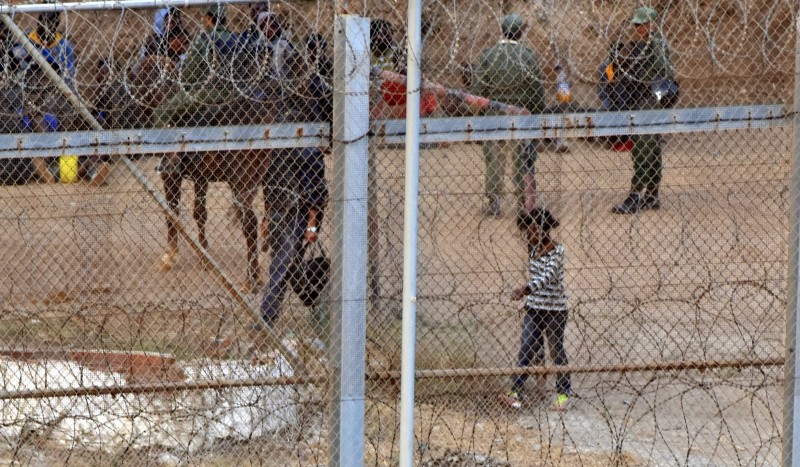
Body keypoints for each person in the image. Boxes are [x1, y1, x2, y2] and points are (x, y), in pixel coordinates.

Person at [471, 13, 545, 217]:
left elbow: (478, 89)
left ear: (502, 30)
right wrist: (537, 115)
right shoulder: (528, 56)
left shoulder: (488, 55)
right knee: (522, 158)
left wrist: (478, 117)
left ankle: (494, 202)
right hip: (521, 114)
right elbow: (536, 89)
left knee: (494, 159)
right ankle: (523, 202)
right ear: (521, 32)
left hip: (494, 115)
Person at [500, 207, 573, 411]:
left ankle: (563, 394)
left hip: (554, 311)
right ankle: (515, 392)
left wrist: (525, 289)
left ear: (543, 231)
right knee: (526, 348)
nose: (529, 236)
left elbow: (546, 277)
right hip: (534, 308)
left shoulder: (557, 251)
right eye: (528, 231)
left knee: (556, 351)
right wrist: (528, 293)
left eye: (532, 231)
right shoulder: (533, 250)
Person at [611, 6, 676, 214]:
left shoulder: (654, 43)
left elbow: (663, 68)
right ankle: (651, 194)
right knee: (652, 145)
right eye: (637, 24)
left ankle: (635, 195)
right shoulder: (649, 42)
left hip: (650, 98)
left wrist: (639, 73)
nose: (639, 28)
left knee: (643, 146)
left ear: (652, 23)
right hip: (647, 98)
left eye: (643, 24)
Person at [153, 3, 238, 128]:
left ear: (209, 19)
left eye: (204, 17)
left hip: (208, 92)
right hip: (235, 91)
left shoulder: (204, 40)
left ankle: (168, 144)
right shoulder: (236, 39)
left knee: (160, 113)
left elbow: (186, 76)